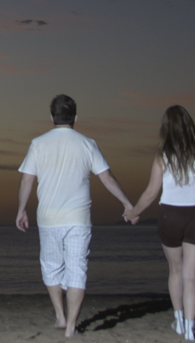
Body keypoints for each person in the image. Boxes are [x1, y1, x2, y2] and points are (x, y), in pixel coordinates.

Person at [16, 94, 134, 337]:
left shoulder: (38, 143)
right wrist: (126, 203)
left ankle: (60, 316)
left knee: (51, 267)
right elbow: (107, 178)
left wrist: (21, 209)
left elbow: (27, 180)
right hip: (79, 219)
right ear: (75, 118)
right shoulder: (87, 143)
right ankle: (70, 326)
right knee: (77, 270)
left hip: (48, 218)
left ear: (51, 117)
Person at [123, 105, 195, 341]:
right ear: (190, 125)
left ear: (166, 128)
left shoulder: (163, 154)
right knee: (191, 275)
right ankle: (190, 330)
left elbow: (151, 192)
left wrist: (132, 213)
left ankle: (178, 320)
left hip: (170, 216)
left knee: (175, 270)